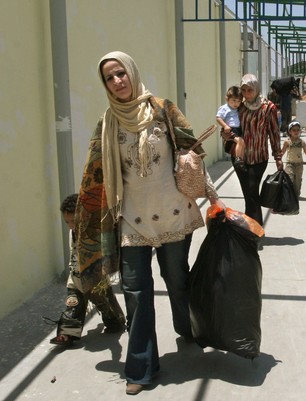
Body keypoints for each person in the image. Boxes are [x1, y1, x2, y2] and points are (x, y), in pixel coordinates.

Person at [77, 51, 225, 395]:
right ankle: (141, 367)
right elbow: (95, 174)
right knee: (136, 293)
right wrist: (87, 220)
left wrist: (213, 195)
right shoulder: (107, 122)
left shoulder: (163, 108)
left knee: (177, 280)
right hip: (132, 220)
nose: (117, 81)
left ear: (131, 72)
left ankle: (187, 327)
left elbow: (192, 150)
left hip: (173, 211)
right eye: (109, 78)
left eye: (120, 74)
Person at [48, 193, 125, 347]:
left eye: (73, 221)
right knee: (73, 304)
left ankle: (115, 320)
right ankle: (66, 334)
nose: (70, 225)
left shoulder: (95, 233)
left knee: (106, 305)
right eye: (67, 222)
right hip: (76, 277)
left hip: (95, 278)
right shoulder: (72, 233)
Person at [222, 73, 283, 226]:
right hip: (239, 157)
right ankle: (253, 230)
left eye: (250, 90)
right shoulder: (238, 107)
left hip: (259, 157)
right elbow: (228, 124)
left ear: (256, 89)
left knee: (251, 192)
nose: (247, 94)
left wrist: (278, 157)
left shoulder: (268, 108)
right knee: (249, 194)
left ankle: (253, 230)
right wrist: (225, 133)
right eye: (243, 90)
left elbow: (274, 133)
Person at [280, 121, 306, 198]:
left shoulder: (302, 142)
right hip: (290, 164)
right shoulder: (287, 142)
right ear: (289, 131)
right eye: (294, 130)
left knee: (297, 181)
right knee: (289, 179)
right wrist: (279, 159)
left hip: (299, 165)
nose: (296, 132)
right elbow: (282, 151)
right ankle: (289, 195)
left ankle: (296, 195)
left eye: (297, 130)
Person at [216, 85, 246, 170]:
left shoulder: (238, 108)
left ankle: (241, 161)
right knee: (240, 141)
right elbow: (218, 117)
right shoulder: (224, 108)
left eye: (238, 101)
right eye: (233, 100)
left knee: (242, 144)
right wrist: (225, 126)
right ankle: (238, 159)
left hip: (238, 129)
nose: (235, 103)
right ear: (227, 99)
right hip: (230, 129)